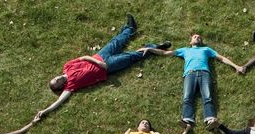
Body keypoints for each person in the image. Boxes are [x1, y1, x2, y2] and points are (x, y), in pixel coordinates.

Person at [35, 14, 170, 121]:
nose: (58, 78)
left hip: (100, 57)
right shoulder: (70, 86)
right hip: (108, 67)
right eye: (57, 82)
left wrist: (98, 62)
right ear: (60, 87)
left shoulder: (67, 67)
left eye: (55, 78)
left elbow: (83, 57)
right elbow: (59, 102)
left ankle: (130, 28)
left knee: (117, 41)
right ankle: (154, 48)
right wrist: (45, 111)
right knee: (131, 57)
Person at [142, 33, 244, 128]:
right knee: (187, 97)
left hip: (204, 73)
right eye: (195, 37)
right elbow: (166, 53)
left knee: (207, 96)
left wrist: (236, 66)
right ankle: (187, 120)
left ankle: (211, 119)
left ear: (201, 42)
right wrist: (150, 49)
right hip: (189, 74)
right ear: (190, 42)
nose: (197, 37)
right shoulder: (184, 50)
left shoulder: (206, 49)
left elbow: (221, 58)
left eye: (199, 37)